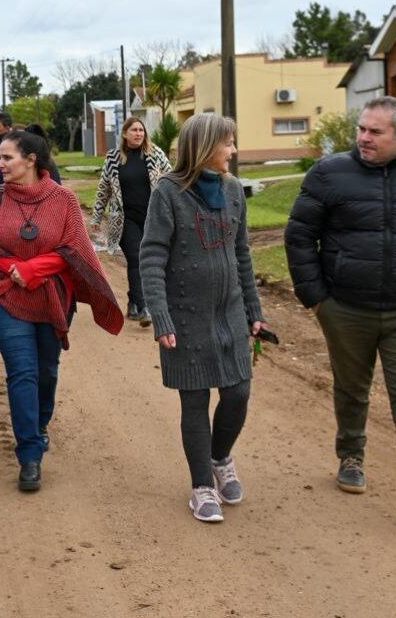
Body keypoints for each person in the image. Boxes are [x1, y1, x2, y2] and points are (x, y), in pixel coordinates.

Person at [284, 96, 396, 521]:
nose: (363, 138)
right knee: (352, 387)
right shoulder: (329, 174)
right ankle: (351, 456)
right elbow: (299, 236)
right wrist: (316, 296)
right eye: (361, 129)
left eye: (375, 132)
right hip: (346, 306)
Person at [0, 130, 122, 492]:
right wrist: (12, 270)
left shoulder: (64, 200)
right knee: (22, 372)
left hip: (53, 296)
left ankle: (39, 424)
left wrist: (36, 269)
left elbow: (75, 248)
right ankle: (30, 454)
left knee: (46, 370)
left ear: (31, 159)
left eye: (7, 158)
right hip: (4, 292)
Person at [139, 113, 266, 523]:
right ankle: (201, 487)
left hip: (229, 312)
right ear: (206, 147)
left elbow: (241, 254)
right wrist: (161, 317)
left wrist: (253, 310)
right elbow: (152, 257)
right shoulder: (168, 193)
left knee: (238, 393)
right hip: (185, 315)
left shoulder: (232, 190)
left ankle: (220, 457)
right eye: (228, 143)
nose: (233, 150)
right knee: (194, 400)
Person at [92, 116, 172, 326]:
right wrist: (97, 216)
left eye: (141, 130)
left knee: (148, 260)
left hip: (152, 217)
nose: (138, 133)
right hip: (125, 219)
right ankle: (144, 306)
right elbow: (104, 188)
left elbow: (172, 178)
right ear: (125, 134)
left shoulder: (155, 154)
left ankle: (133, 302)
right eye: (134, 130)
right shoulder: (113, 158)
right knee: (136, 258)